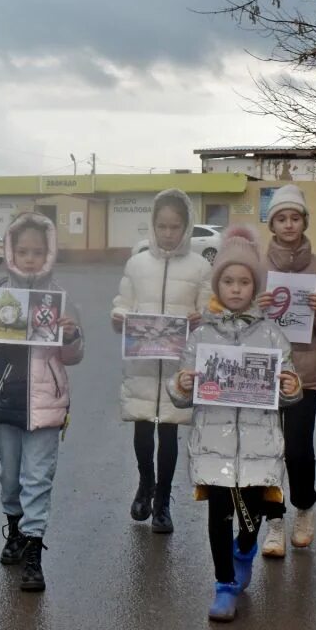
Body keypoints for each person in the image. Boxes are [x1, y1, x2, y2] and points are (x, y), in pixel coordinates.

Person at [170, 226, 304, 621]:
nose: (235, 288)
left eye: (244, 281)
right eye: (227, 281)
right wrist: (181, 383)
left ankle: (245, 549)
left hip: (260, 445)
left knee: (252, 514)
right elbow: (181, 391)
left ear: (254, 286)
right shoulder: (201, 336)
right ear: (217, 284)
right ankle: (224, 585)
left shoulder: (272, 336)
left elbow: (288, 390)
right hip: (214, 443)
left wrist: (292, 387)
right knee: (218, 516)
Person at [0, 212, 82, 593]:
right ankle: (14, 530)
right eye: (23, 250)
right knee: (10, 477)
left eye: (38, 251)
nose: (30, 258)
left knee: (38, 479)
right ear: (11, 251)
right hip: (4, 403)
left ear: (49, 253)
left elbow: (74, 355)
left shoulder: (61, 300)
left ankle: (34, 551)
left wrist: (70, 334)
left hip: (47, 405)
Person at [109, 189, 212, 534]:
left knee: (169, 433)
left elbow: (210, 311)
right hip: (142, 361)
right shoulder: (137, 263)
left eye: (176, 226)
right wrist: (120, 317)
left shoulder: (200, 267)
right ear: (153, 225)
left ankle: (163, 502)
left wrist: (202, 319)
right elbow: (123, 302)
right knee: (142, 426)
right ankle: (145, 484)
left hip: (177, 365)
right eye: (163, 226)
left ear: (186, 227)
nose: (169, 233)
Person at [257, 185, 316, 556]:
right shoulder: (258, 266)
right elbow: (239, 316)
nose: (289, 224)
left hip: (305, 370)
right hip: (262, 371)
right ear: (271, 223)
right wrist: (254, 307)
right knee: (267, 449)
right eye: (281, 218)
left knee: (298, 449)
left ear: (304, 221)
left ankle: (304, 508)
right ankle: (274, 521)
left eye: (295, 217)